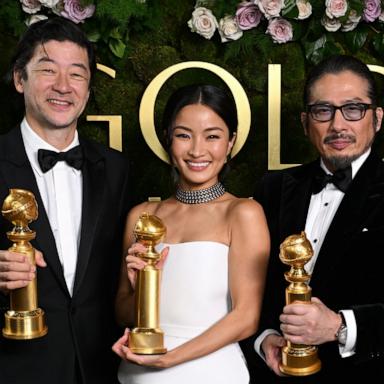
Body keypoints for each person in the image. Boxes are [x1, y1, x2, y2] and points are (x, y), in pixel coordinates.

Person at [0, 18, 130, 384]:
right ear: (19, 79)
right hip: (14, 367)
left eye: (76, 74)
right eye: (47, 70)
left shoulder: (116, 168)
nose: (63, 86)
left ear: (88, 89)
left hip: (99, 366)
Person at [112, 84, 270, 383]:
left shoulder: (243, 213)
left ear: (231, 142)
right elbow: (123, 314)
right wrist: (142, 289)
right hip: (136, 373)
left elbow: (246, 318)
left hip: (211, 372)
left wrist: (169, 359)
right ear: (167, 140)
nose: (197, 150)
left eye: (212, 136)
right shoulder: (142, 216)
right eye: (184, 135)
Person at [253, 55, 384, 382]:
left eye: (353, 109)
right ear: (305, 121)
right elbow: (251, 287)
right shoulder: (272, 189)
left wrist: (340, 327)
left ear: (377, 118)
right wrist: (263, 338)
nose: (338, 125)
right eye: (323, 111)